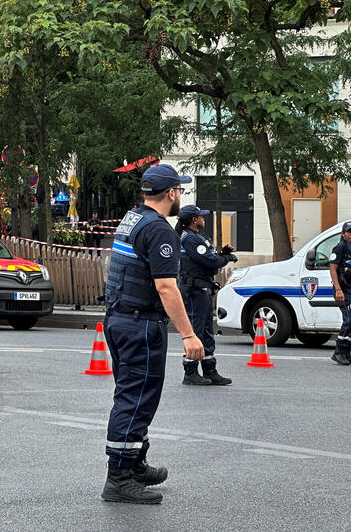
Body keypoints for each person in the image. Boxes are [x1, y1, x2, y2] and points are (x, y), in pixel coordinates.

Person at [101, 163, 204, 505]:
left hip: (120, 318)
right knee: (136, 399)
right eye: (181, 190)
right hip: (139, 324)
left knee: (134, 394)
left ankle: (134, 463)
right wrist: (189, 335)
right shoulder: (160, 230)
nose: (181, 196)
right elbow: (166, 287)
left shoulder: (132, 219)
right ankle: (119, 477)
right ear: (172, 193)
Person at [175, 205, 236, 386]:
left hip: (202, 289)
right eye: (201, 216)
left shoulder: (196, 237)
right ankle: (191, 372)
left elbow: (208, 256)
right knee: (197, 330)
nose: (204, 218)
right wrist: (226, 259)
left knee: (207, 330)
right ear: (194, 220)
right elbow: (209, 262)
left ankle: (210, 369)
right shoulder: (190, 239)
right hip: (194, 290)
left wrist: (222, 253)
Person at [328, 222, 351, 366]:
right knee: (349, 320)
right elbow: (333, 269)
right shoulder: (340, 248)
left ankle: (346, 352)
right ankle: (339, 352)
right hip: (342, 290)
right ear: (343, 234)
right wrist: (338, 289)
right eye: (349, 232)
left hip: (350, 289)